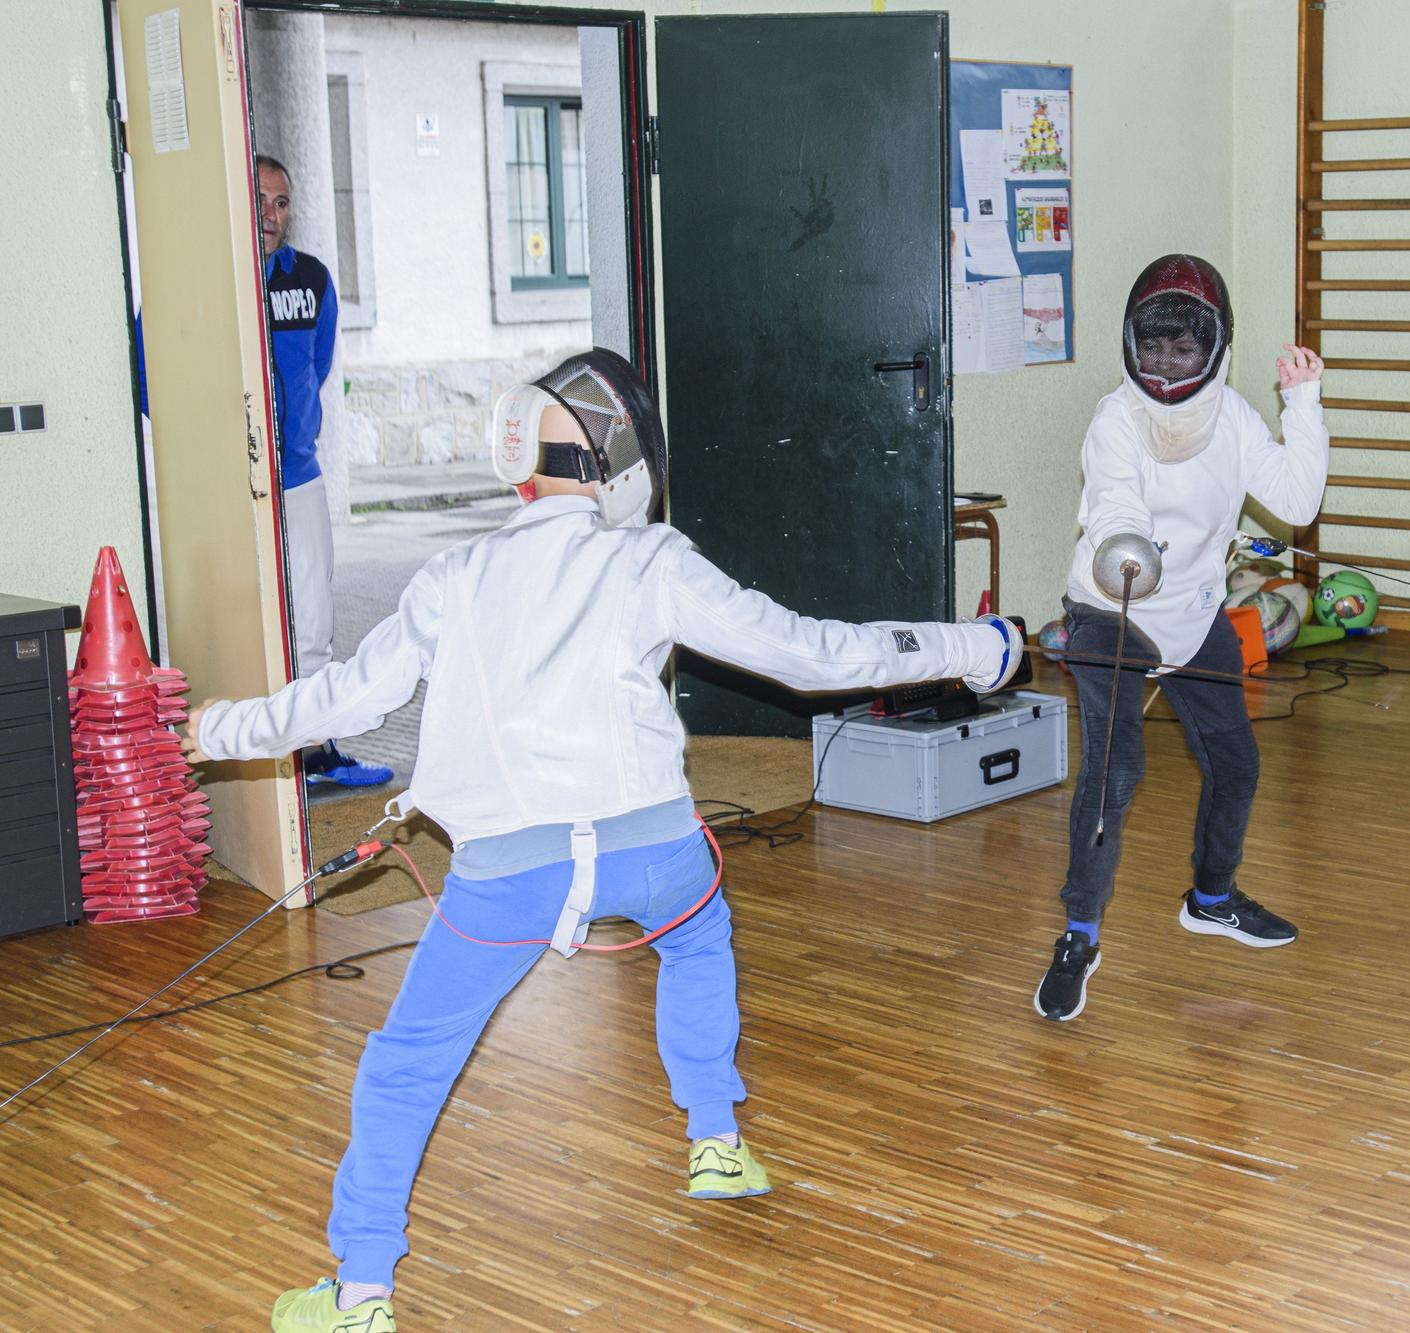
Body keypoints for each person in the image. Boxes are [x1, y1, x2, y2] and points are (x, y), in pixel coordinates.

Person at [179, 349, 1023, 1331]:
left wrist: (216, 728)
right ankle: (714, 1140)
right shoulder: (650, 560)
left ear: (514, 452)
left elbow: (346, 698)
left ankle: (361, 1292)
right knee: (699, 936)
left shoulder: (453, 574)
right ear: (624, 468)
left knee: (406, 1061)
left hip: (506, 881)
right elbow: (812, 651)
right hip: (656, 855)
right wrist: (973, 648)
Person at [1033, 254, 1327, 1023]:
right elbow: (1115, 506)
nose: (1166, 362)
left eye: (1183, 348)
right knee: (1113, 768)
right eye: (1153, 346)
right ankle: (1079, 935)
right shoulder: (1114, 420)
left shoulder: (1231, 418)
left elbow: (1296, 499)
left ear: (1215, 348)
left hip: (1194, 613)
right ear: (1133, 344)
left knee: (1235, 761)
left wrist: (1303, 402)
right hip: (1112, 605)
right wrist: (1129, 544)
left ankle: (1212, 897)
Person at [256, 152, 391, 789]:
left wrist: (299, 429)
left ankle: (314, 754)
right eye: (260, 199)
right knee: (248, 619)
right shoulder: (209, 278)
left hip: (299, 476)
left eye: (281, 202)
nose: (270, 215)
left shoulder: (309, 279)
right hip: (235, 489)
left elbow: (318, 363)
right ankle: (256, 762)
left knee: (312, 621)